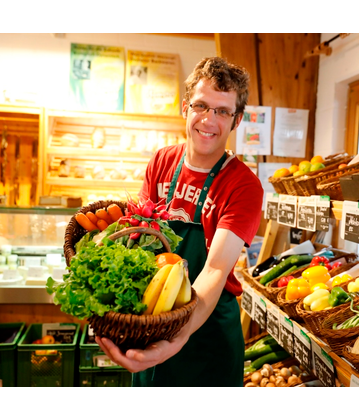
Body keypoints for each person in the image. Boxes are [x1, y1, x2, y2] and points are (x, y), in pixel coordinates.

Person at [95, 56, 264, 387]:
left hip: (207, 332)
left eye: (222, 111)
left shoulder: (243, 186)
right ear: (185, 108)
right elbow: (139, 238)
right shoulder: (162, 161)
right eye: (201, 106)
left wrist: (177, 336)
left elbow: (215, 270)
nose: (209, 119)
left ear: (236, 120)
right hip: (152, 316)